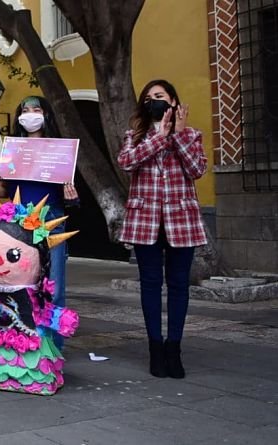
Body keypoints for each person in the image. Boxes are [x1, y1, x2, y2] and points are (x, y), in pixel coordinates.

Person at [117, 79, 207, 379]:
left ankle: (174, 348)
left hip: (181, 220)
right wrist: (160, 137)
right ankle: (155, 348)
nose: (154, 100)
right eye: (149, 97)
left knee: (179, 286)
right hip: (146, 221)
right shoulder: (135, 135)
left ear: (173, 101)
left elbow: (196, 170)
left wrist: (178, 136)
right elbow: (127, 163)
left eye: (160, 96)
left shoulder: (192, 135)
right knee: (151, 284)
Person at [0, 188, 78, 395]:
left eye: (14, 255)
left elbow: (43, 312)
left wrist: (60, 319)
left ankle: (31, 381)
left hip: (27, 332)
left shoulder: (34, 291)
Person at [0, 96, 79, 349]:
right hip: (19, 226)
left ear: (46, 115)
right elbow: (5, 192)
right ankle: (23, 342)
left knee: (54, 288)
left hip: (52, 223)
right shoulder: (13, 149)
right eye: (25, 110)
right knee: (22, 285)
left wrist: (73, 197)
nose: (30, 114)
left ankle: (53, 349)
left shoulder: (60, 151)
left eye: (36, 109)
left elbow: (70, 195)